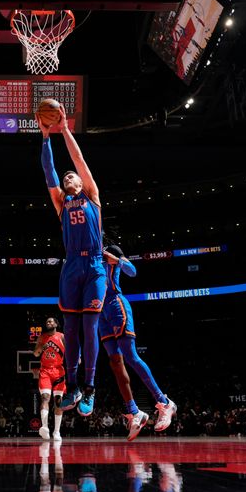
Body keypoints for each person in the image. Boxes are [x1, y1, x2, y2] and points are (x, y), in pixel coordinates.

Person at [38, 106, 106, 417]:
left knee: (90, 327)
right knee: (72, 329)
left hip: (93, 267)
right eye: (65, 177)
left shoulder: (91, 195)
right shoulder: (61, 203)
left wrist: (64, 130)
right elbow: (49, 172)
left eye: (71, 175)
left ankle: (90, 388)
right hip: (70, 267)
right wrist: (45, 138)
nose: (68, 176)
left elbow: (78, 161)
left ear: (80, 181)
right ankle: (74, 384)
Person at [100, 244, 176, 440]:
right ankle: (135, 412)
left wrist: (116, 260)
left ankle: (164, 402)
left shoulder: (112, 249)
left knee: (130, 356)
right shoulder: (85, 255)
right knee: (115, 363)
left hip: (116, 304)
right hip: (100, 312)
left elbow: (132, 271)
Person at [33, 317, 66, 441]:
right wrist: (42, 346)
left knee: (58, 401)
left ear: (56, 324)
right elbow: (36, 354)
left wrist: (77, 357)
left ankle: (57, 432)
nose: (48, 323)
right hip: (45, 371)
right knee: (45, 398)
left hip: (58, 371)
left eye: (51, 321)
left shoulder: (62, 336)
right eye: (47, 321)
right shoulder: (42, 337)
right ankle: (45, 428)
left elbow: (71, 350)